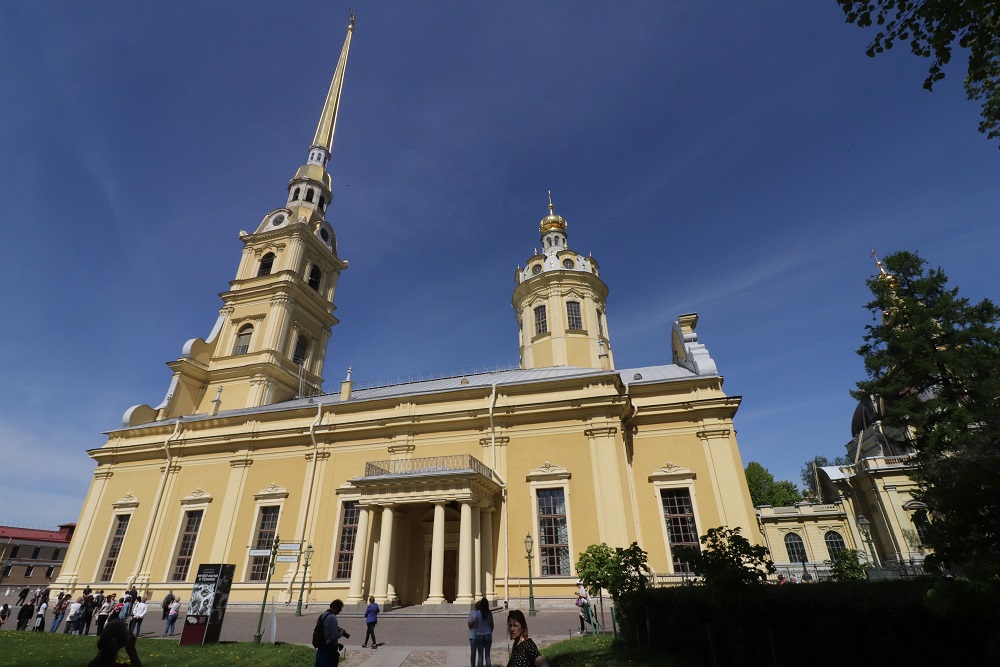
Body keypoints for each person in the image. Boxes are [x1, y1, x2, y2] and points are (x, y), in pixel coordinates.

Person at [315, 599, 349, 667]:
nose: (339, 612)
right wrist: (342, 632)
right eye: (339, 609)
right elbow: (334, 636)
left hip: (321, 645)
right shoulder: (332, 618)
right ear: (336, 608)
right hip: (329, 649)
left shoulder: (322, 616)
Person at [473, 597, 494, 667]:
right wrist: (489, 631)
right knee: (487, 656)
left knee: (480, 656)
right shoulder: (489, 613)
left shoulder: (477, 613)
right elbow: (492, 625)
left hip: (479, 635)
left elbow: (475, 625)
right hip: (488, 635)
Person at [467, 602, 478, 667]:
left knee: (474, 653)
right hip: (474, 635)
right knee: (479, 653)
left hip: (475, 636)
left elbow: (469, 625)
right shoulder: (473, 613)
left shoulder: (473, 613)